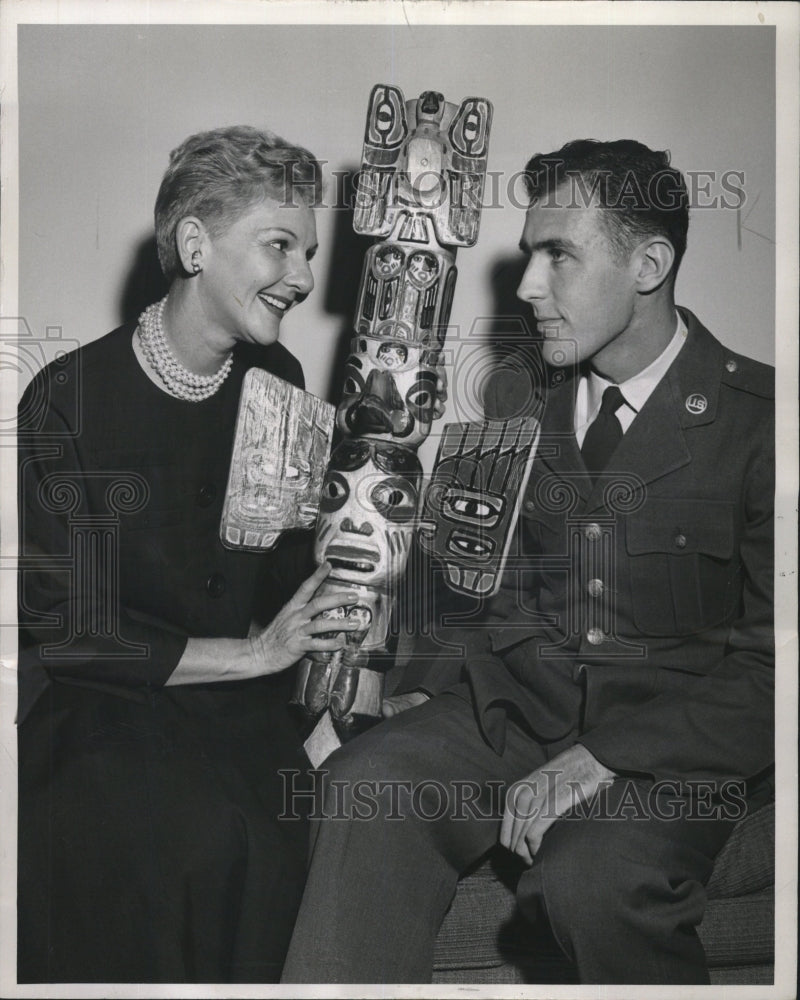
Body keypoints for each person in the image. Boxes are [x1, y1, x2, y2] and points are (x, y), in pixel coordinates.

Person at [280, 139, 775, 985]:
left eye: (560, 255)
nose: (526, 287)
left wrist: (602, 760)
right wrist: (418, 689)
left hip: (668, 751)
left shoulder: (760, 422)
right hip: (517, 716)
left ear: (649, 263)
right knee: (367, 785)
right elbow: (477, 580)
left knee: (594, 876)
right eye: (528, 253)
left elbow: (776, 670)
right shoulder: (518, 395)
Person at [17, 125, 362, 983]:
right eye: (279, 245)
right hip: (104, 714)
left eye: (309, 251)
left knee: (282, 839)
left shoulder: (278, 380)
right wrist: (253, 654)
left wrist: (359, 547)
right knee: (189, 841)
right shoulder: (68, 399)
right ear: (195, 243)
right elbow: (71, 633)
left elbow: (289, 579)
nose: (305, 277)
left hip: (240, 715)